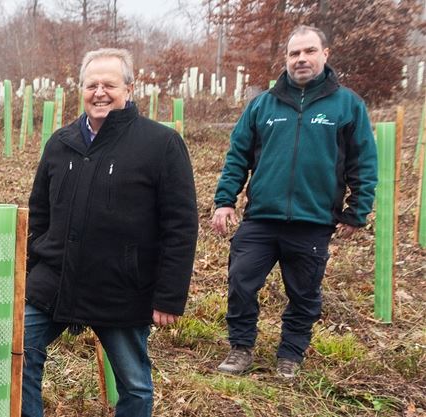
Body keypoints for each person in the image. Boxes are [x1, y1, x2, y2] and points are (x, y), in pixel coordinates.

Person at [21, 48, 198, 417]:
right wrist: (30, 269)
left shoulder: (160, 144)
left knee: (134, 384)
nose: (99, 92)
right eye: (91, 85)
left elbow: (180, 225)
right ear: (81, 89)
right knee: (18, 351)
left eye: (109, 85)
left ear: (129, 89)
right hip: (55, 279)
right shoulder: (60, 142)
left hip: (121, 286)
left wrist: (169, 295)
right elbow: (39, 212)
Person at [211, 25, 377, 378]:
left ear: (325, 54)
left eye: (309, 51)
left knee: (304, 293)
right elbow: (237, 156)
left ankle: (291, 352)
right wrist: (225, 200)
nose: (301, 59)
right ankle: (241, 347)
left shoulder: (348, 105)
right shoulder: (263, 104)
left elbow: (363, 160)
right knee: (241, 280)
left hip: (314, 220)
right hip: (261, 217)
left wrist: (356, 210)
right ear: (286, 59)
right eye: (294, 53)